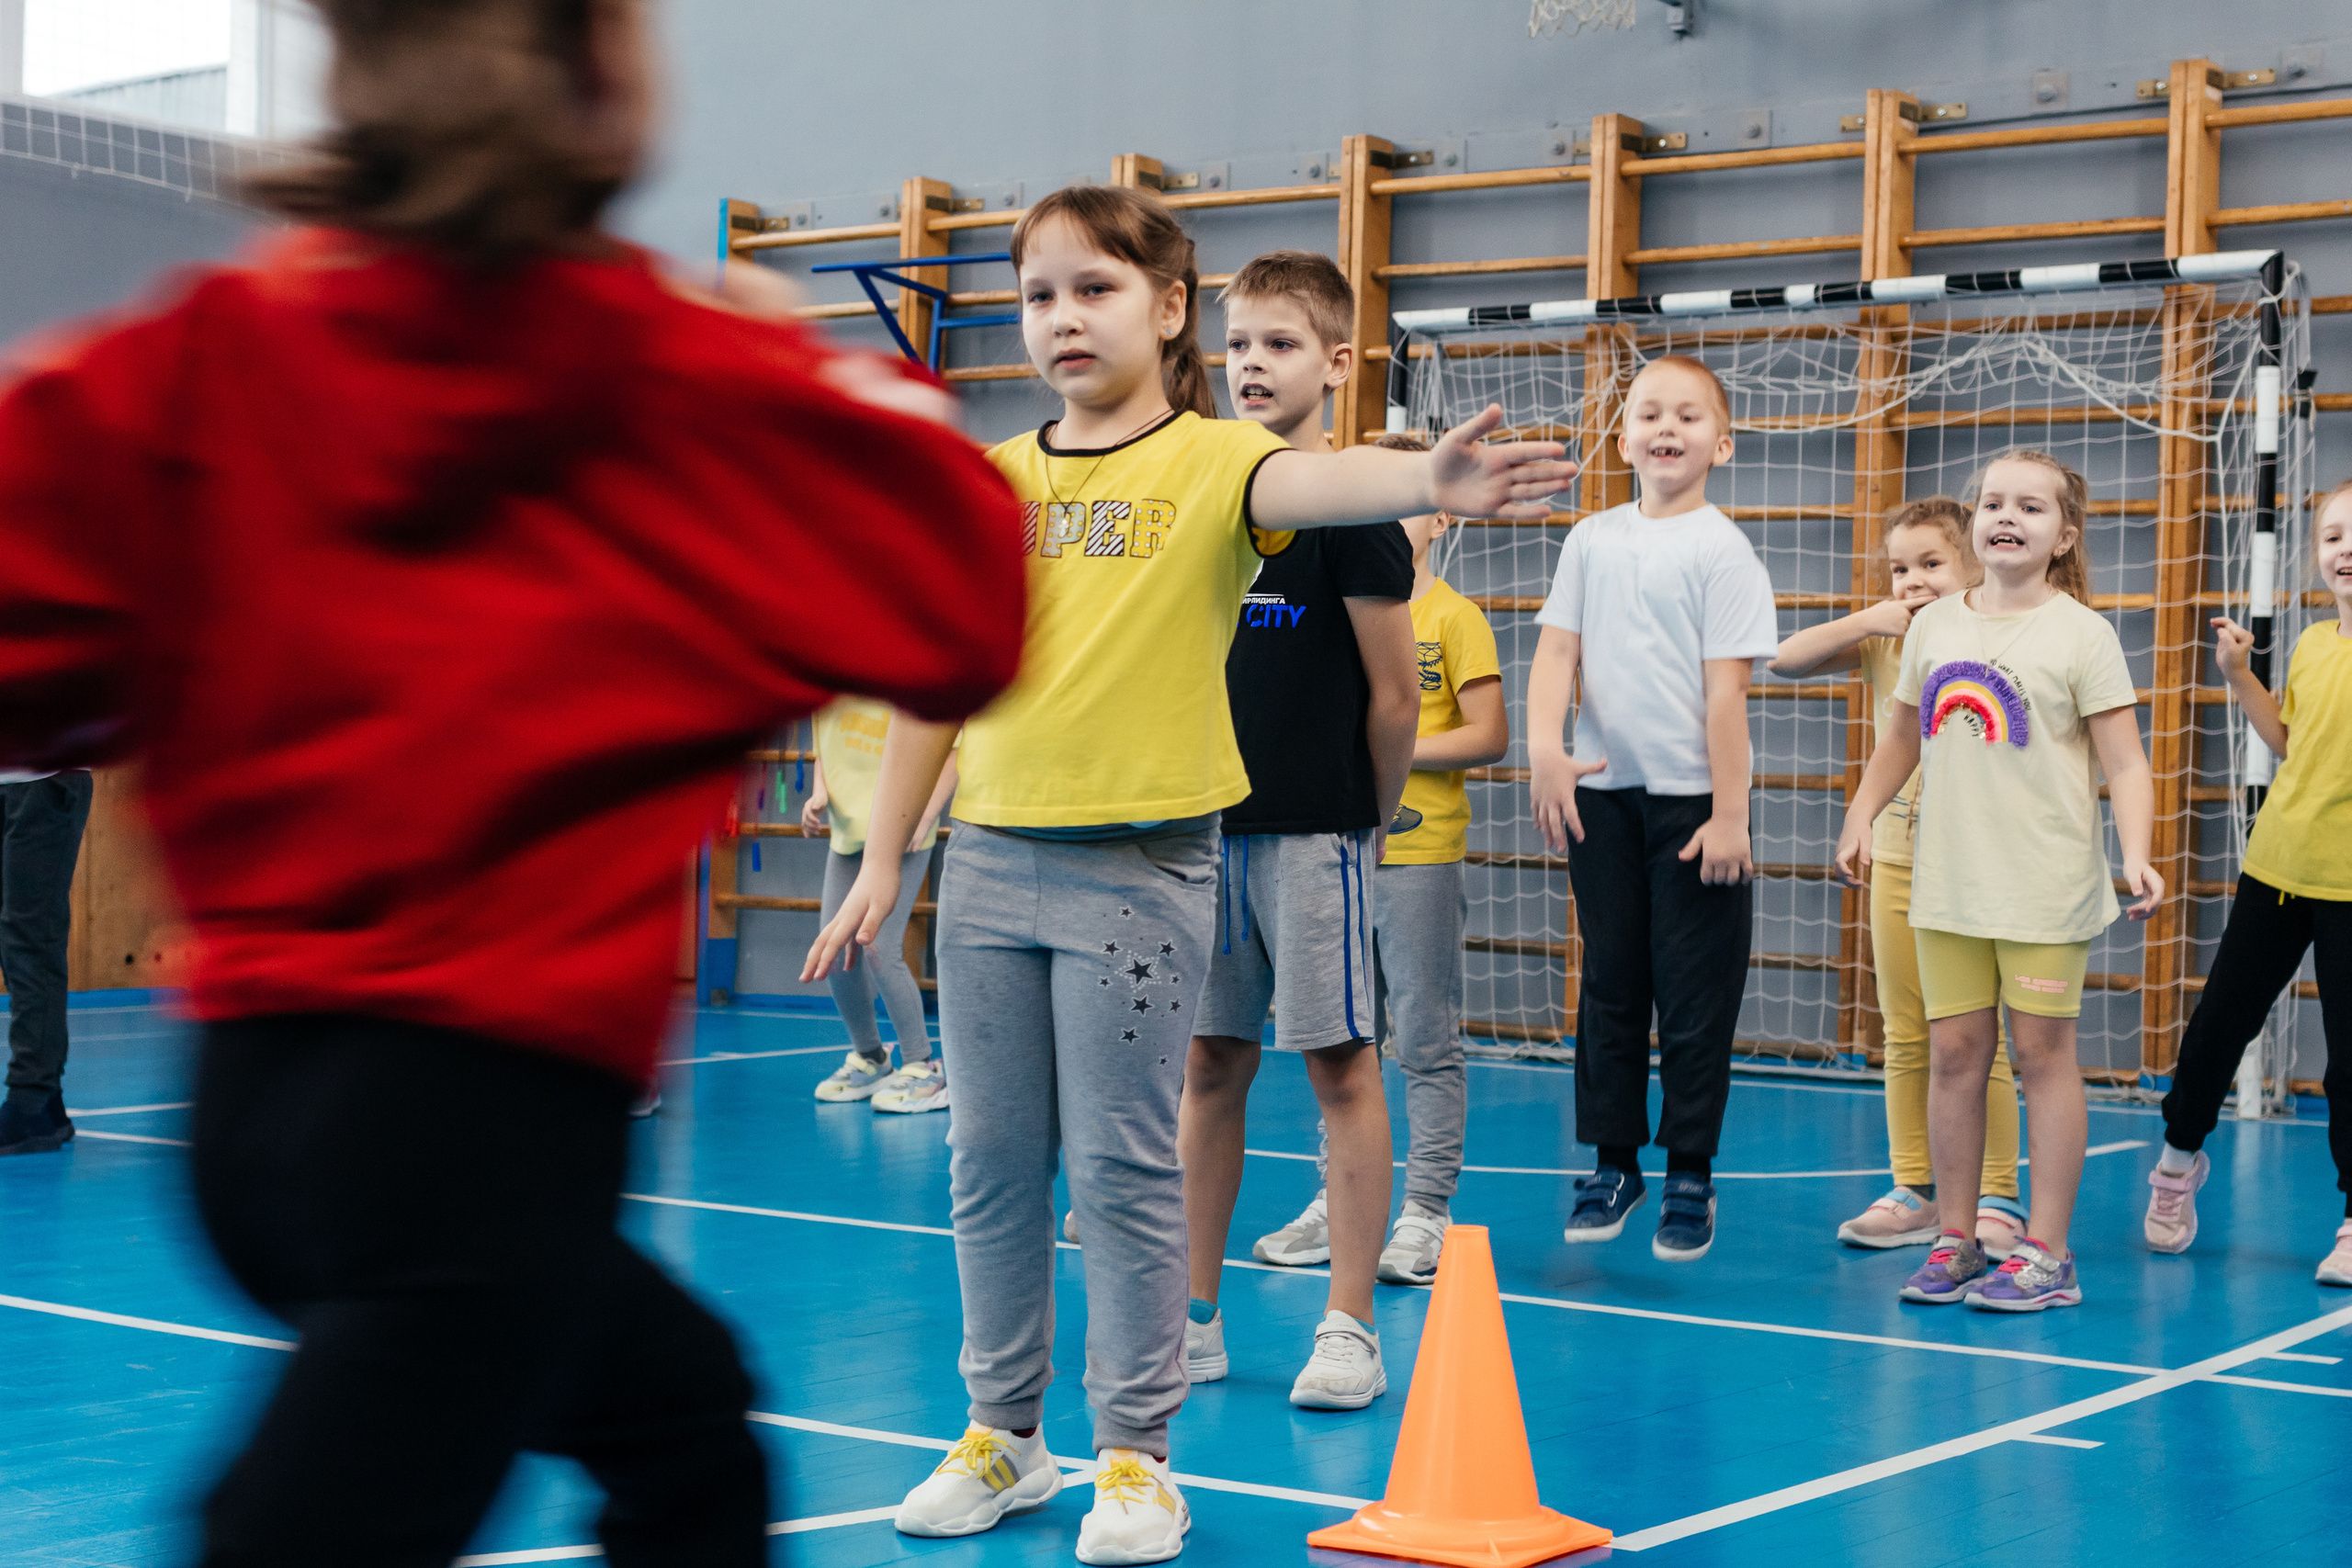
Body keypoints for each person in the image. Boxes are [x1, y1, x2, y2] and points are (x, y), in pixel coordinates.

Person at [0, 2, 1030, 1562]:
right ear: (609, 81)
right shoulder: (673, 374)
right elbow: (959, 594)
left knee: (684, 1435)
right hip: (477, 1136)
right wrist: (781, 349)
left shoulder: (204, 350)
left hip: (255, 1116)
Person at [803, 184, 1572, 1566]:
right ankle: (1005, 1433)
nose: (1061, 318)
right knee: (989, 1163)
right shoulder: (996, 481)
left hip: (1140, 871)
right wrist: (893, 856)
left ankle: (1138, 1456)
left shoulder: (1216, 462)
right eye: (1038, 295)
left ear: (1167, 310)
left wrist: (1423, 479)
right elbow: (935, 677)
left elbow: (1315, 481)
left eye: (1093, 289)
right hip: (989, 865)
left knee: (1120, 1166)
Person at [1177, 251, 1419, 1414]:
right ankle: (1194, 1314)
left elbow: (1394, 696)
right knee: (1208, 1064)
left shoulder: (1355, 509)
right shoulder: (1209, 497)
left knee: (1339, 1066)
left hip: (1315, 836)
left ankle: (1348, 1323)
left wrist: (1364, 823)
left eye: (1280, 345)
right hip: (1198, 833)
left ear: (1334, 362)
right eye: (1239, 347)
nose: (1252, 367)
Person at [1838, 449, 2163, 1313]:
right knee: (1953, 1056)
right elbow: (1902, 736)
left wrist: (2136, 851)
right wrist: (1860, 811)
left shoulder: (2081, 634)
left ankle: (2048, 1256)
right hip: (1948, 881)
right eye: (1991, 503)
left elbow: (2125, 762)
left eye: (2031, 506)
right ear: (1975, 522)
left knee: (2043, 1056)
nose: (2006, 516)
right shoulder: (1937, 626)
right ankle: (1955, 1238)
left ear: (2064, 535)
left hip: (2044, 886)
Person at [1526, 354, 1779, 1264]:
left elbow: (1724, 698)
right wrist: (1546, 750)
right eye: (1646, 415)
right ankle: (1612, 1163)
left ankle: (1689, 1174)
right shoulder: (1590, 539)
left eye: (1686, 415)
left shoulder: (1722, 549)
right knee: (1610, 986)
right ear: (1622, 435)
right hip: (1603, 800)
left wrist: (1730, 813)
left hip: (1691, 812)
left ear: (1722, 441)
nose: (1664, 429)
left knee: (1693, 994)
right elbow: (1557, 656)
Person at [1255, 433, 1509, 1290]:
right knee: (1341, 1040)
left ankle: (1427, 1209)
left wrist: (1384, 755)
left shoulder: (1455, 619)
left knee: (1424, 1036)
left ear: (1440, 513)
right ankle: (1340, 1198)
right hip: (1330, 853)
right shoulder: (1330, 597)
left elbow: (1488, 733)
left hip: (1415, 854)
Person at [1770, 499, 2027, 1258]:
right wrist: (1869, 618)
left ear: (1974, 566)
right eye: (1901, 568)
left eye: (1931, 564)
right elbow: (1782, 657)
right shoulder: (1891, 640)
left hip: (1981, 860)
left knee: (1984, 1039)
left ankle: (1997, 1195)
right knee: (1907, 1030)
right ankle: (1915, 1185)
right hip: (1899, 855)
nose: (1913, 581)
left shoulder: (1994, 635)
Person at [2145, 479, 2352, 1285]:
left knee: (2350, 1062)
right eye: (2333, 534)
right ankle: (2176, 1163)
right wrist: (2238, 674)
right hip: (2279, 868)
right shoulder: (2311, 645)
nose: (2346, 547)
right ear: (2317, 554)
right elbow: (2293, 742)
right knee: (2219, 1025)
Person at [804, 698, 957, 1111]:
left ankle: (924, 1066)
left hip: (902, 830)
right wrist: (819, 795)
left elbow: (951, 747)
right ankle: (871, 1057)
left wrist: (925, 817)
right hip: (849, 833)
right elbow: (825, 749)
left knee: (877, 946)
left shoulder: (900, 673)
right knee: (833, 950)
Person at [0, 767, 95, 1156]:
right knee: (16, 938)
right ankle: (48, 1104)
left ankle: (30, 1102)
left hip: (43, 778)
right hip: (14, 780)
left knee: (30, 937)